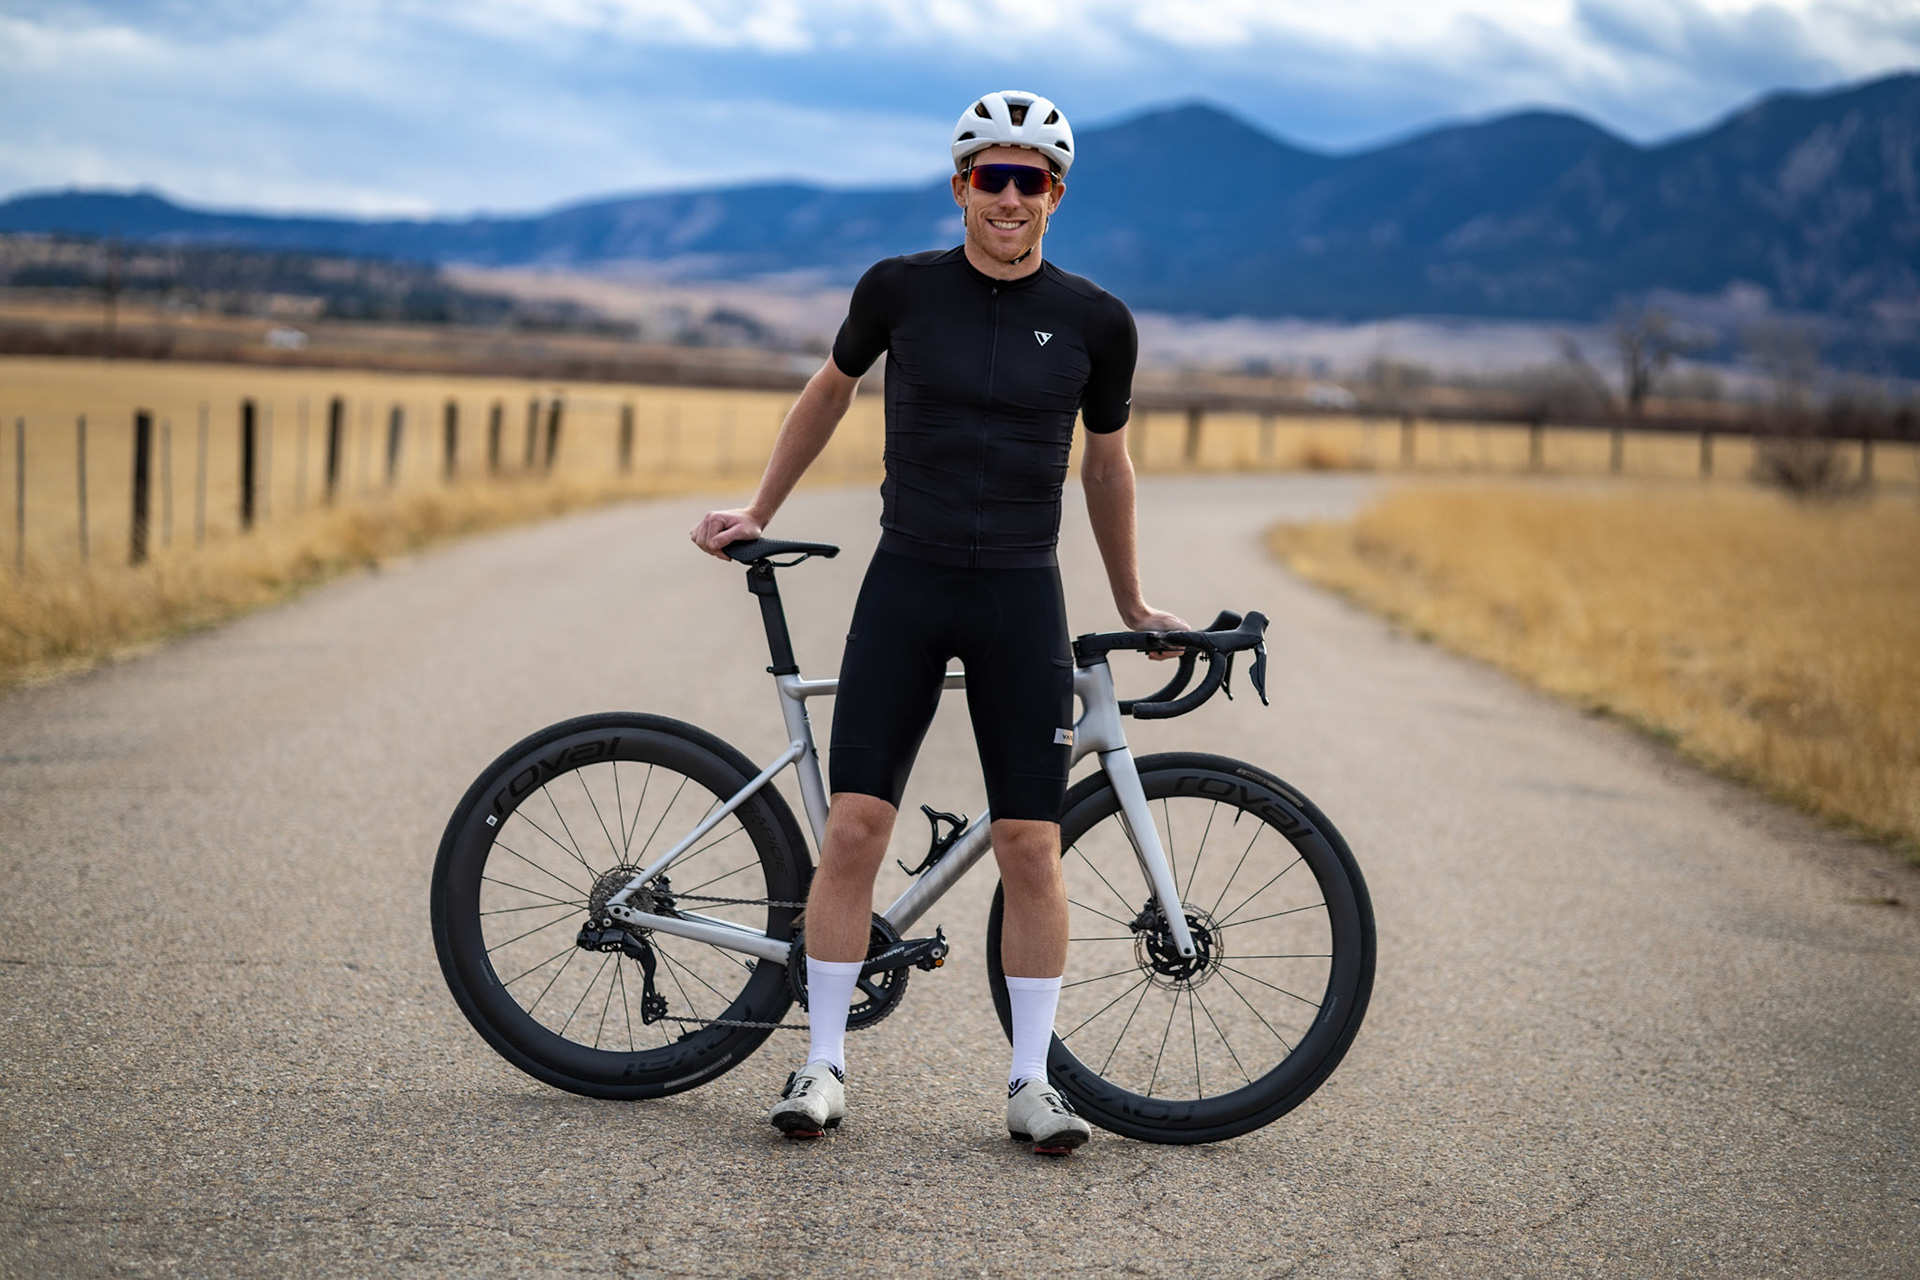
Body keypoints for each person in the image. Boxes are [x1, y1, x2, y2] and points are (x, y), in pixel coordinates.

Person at [690, 89, 1186, 1157]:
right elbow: (829, 391)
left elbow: (1107, 465)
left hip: (1020, 592)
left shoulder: (1098, 320)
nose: (1010, 197)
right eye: (990, 176)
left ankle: (1032, 1083)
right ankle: (821, 1064)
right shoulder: (899, 289)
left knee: (1030, 845)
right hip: (907, 582)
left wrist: (1132, 602)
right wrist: (760, 507)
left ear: (1057, 195)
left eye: (1030, 180)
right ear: (961, 186)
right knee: (854, 830)